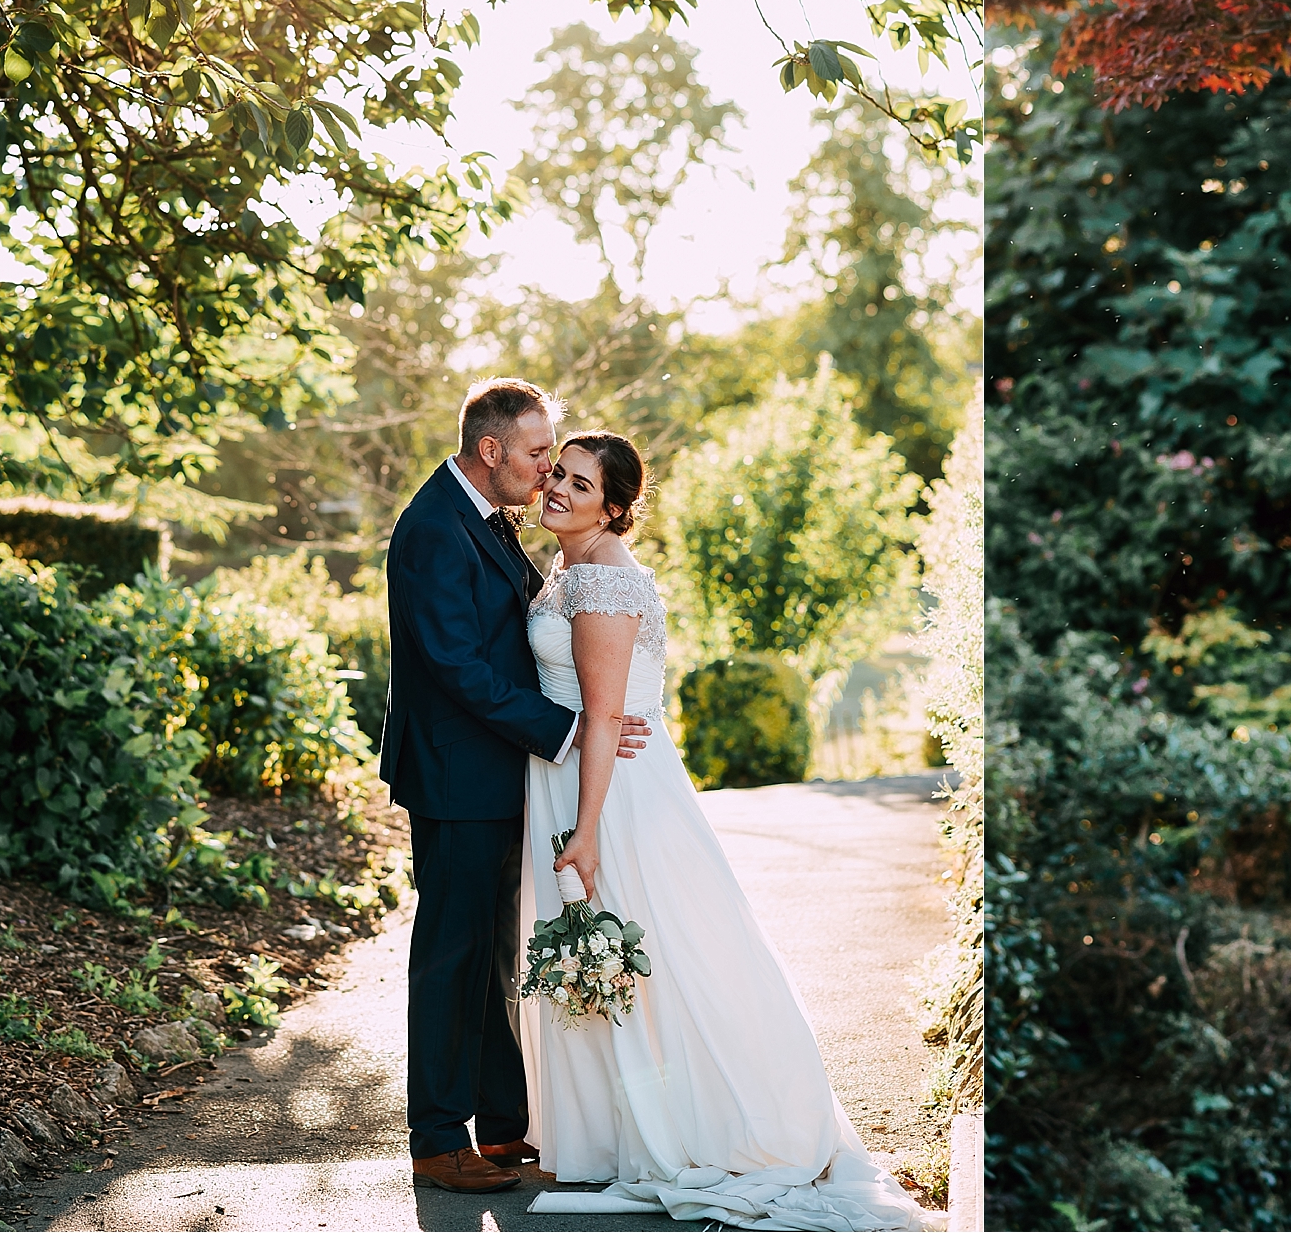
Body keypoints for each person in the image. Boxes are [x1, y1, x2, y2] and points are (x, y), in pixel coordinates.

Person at [515, 429, 922, 1230]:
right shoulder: (570, 569)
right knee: (621, 960)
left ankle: (715, 1124)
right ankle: (608, 1131)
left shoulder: (603, 579)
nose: (557, 489)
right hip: (581, 777)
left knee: (652, 956)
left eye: (579, 484)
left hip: (613, 795)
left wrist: (585, 832)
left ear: (616, 508)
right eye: (556, 473)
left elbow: (604, 716)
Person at [381, 378, 653, 1194]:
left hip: (499, 773)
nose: (546, 473)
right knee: (449, 955)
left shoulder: (488, 518)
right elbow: (458, 666)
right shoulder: (434, 526)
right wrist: (567, 729)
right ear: (491, 449)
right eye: (538, 455)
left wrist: (592, 712)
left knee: (492, 956)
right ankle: (435, 1138)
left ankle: (501, 1125)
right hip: (457, 774)